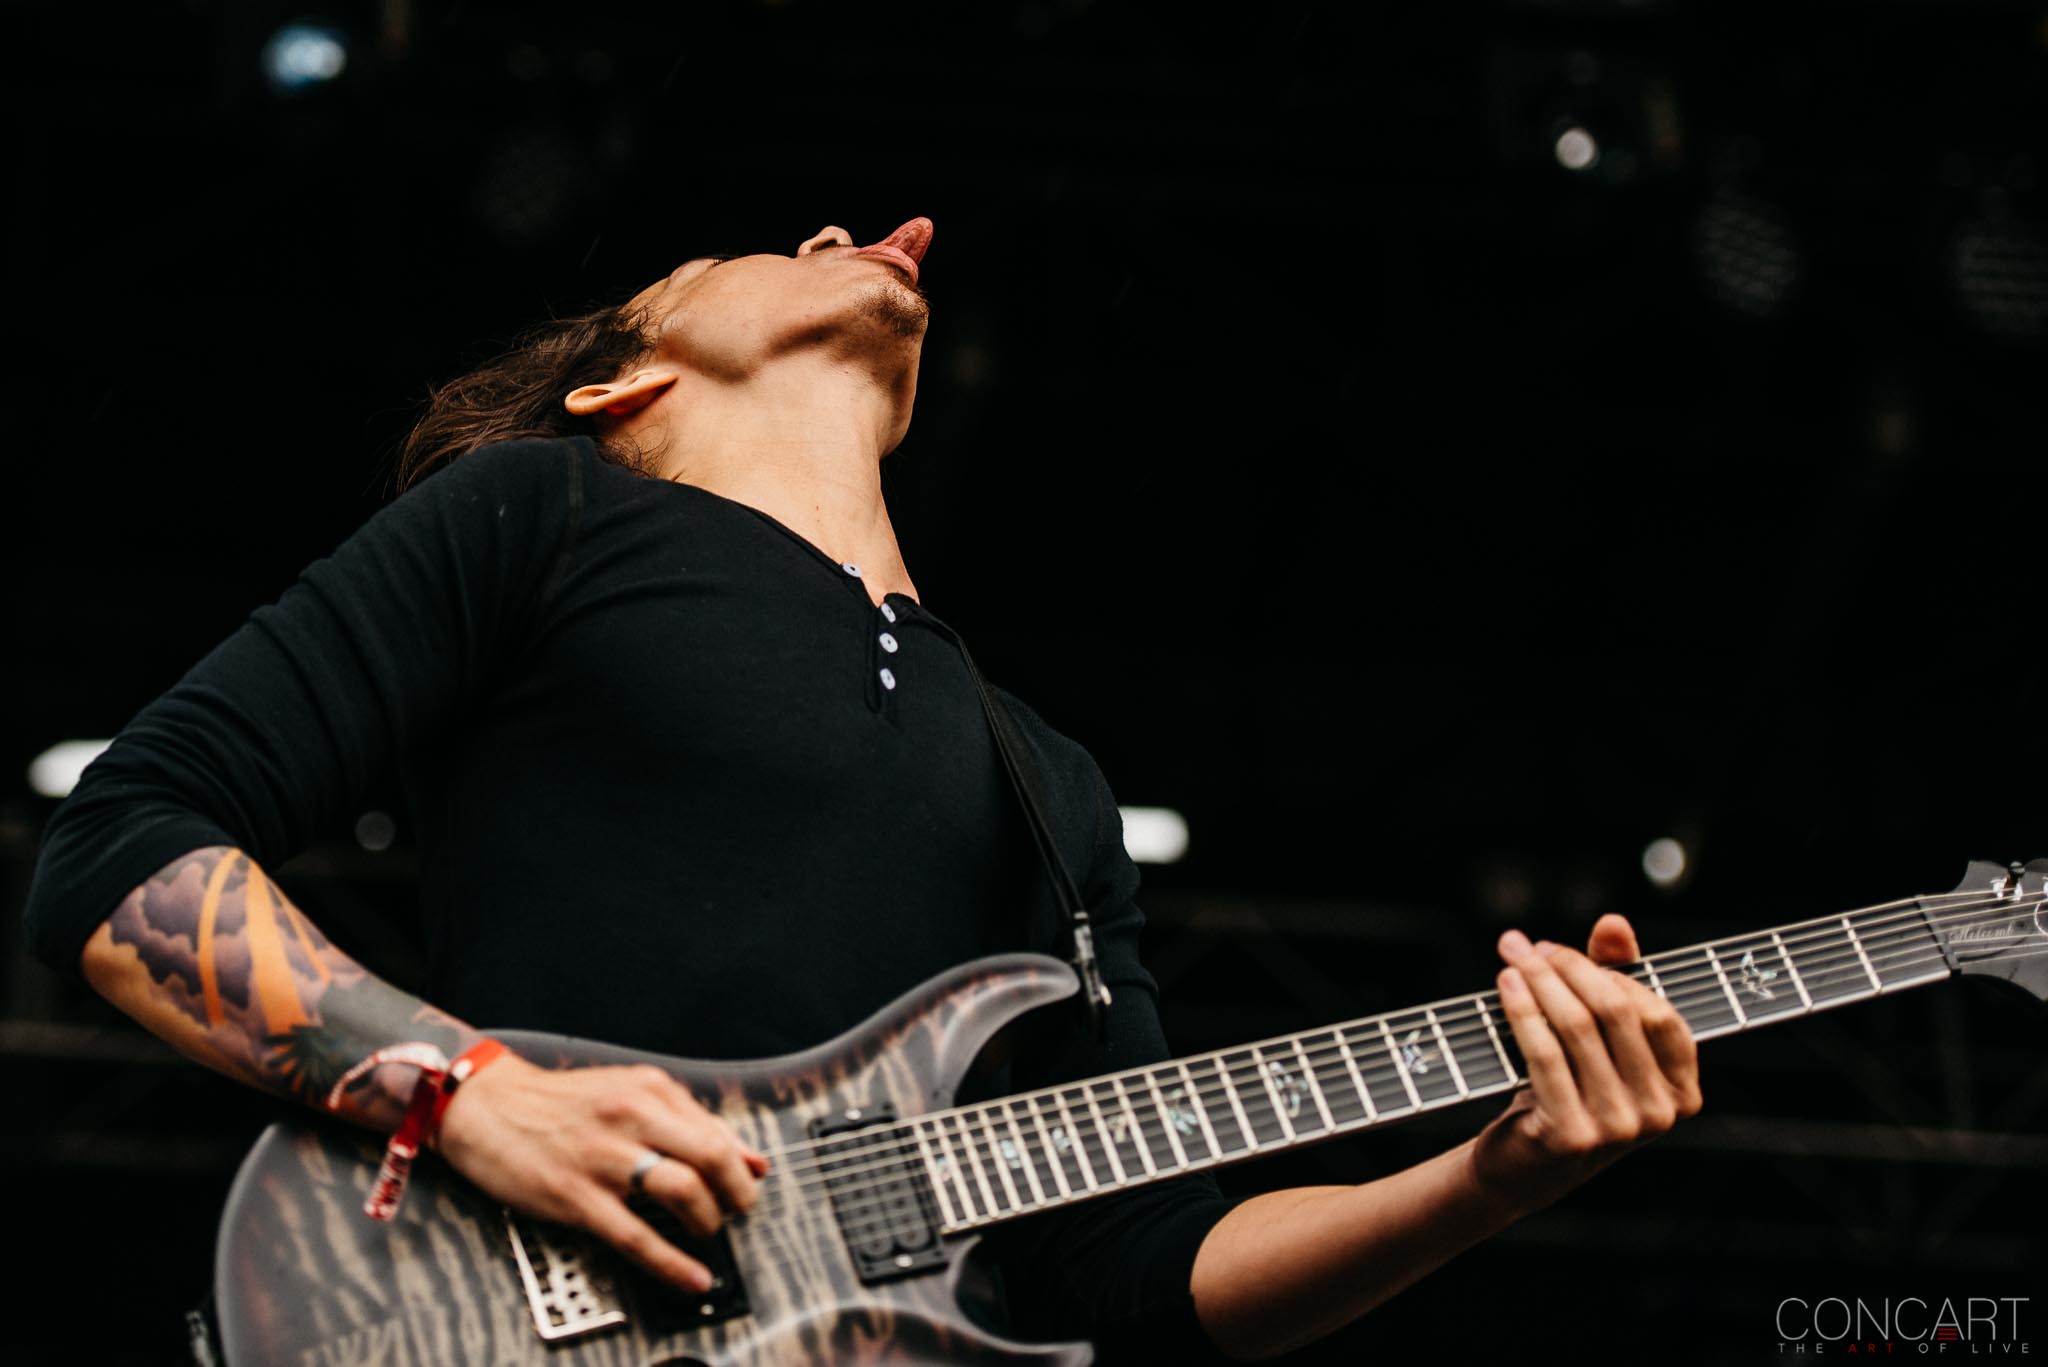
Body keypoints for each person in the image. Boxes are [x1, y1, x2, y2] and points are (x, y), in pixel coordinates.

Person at [22, 216, 1702, 1362]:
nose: (852, 232)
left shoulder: (1047, 778)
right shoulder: (541, 516)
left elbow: (1132, 1275)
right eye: (771, 246)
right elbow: (123, 846)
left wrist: (1499, 1174)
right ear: (628, 380)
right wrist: (466, 1094)